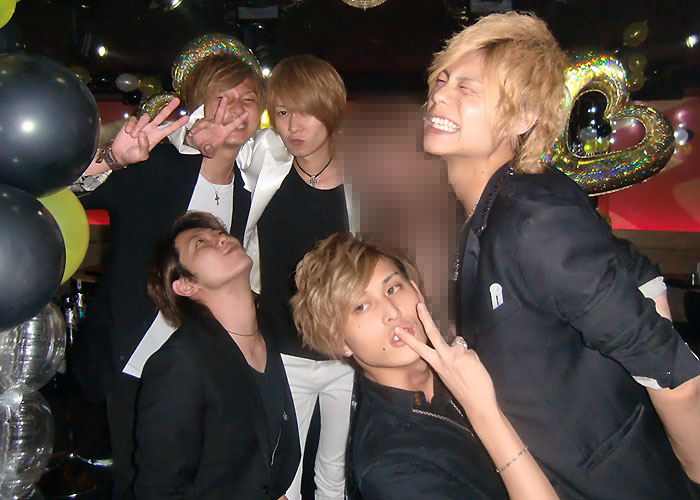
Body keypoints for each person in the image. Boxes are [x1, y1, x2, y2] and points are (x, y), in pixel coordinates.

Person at [423, 11, 700, 499]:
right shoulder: (504, 205)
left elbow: (674, 373)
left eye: (467, 87)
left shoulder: (532, 220)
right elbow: (631, 267)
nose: (440, 95)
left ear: (524, 116)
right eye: (442, 80)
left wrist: (691, 473)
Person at [72, 51, 270, 499]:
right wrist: (112, 158)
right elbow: (58, 190)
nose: (236, 109)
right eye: (222, 97)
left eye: (247, 98)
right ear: (198, 107)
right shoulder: (156, 167)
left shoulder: (249, 191)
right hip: (136, 364)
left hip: (208, 369)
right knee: (142, 483)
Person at [171, 54, 358, 500]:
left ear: (331, 109)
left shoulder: (366, 177)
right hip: (281, 350)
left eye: (307, 111)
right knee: (280, 478)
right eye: (284, 112)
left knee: (335, 475)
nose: (293, 126)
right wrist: (192, 133)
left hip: (347, 353)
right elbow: (191, 135)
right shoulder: (266, 156)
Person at [291, 232, 559, 500]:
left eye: (393, 289)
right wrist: (485, 413)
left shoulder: (466, 357)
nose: (392, 312)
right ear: (339, 341)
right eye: (362, 306)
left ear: (416, 290)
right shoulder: (390, 466)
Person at [134, 211, 300, 499]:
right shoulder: (179, 364)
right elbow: (159, 489)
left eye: (220, 232)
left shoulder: (265, 334)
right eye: (200, 242)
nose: (222, 238)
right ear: (186, 285)